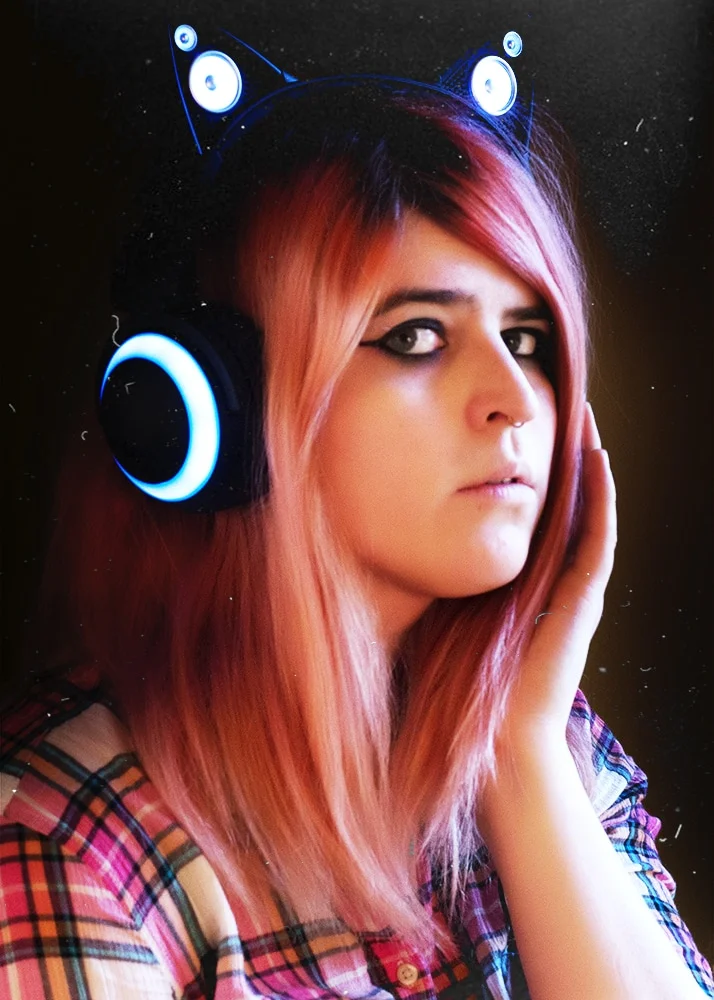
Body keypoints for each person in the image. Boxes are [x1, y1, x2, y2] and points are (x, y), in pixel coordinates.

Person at [1, 72, 713, 1000]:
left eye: (528, 339)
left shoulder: (551, 737)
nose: (514, 400)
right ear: (215, 408)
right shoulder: (68, 847)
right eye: (416, 337)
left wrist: (522, 757)